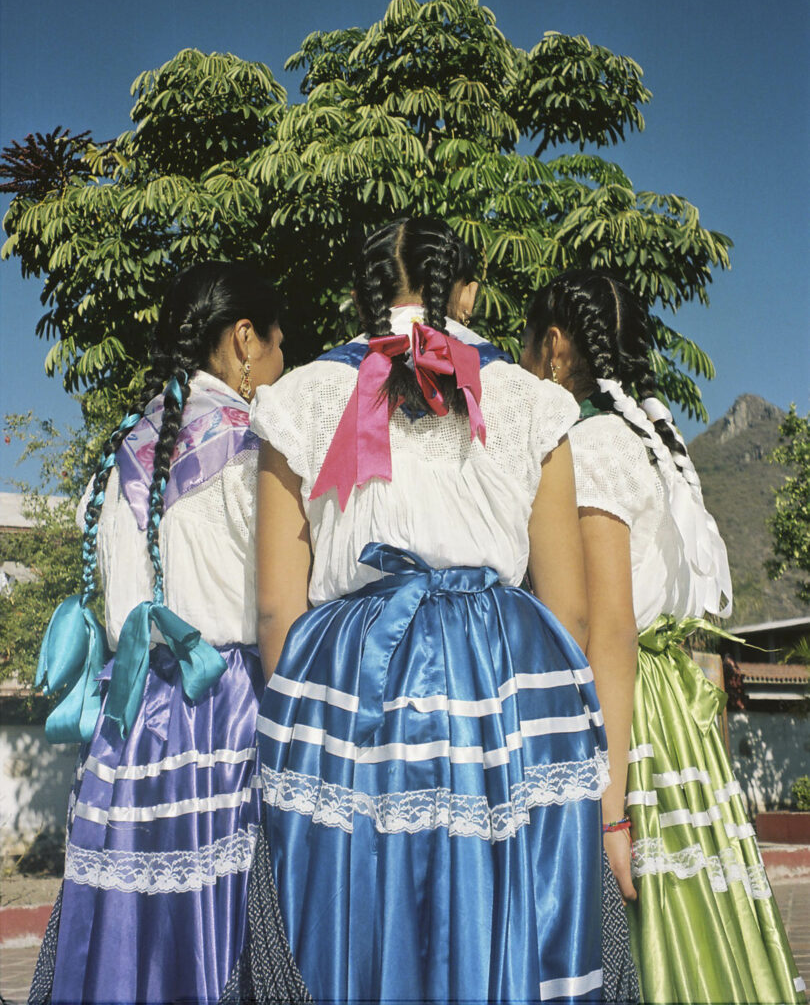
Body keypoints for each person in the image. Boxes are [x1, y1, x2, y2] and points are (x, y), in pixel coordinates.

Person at [236, 216, 609, 1005]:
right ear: (467, 291)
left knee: (352, 907)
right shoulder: (532, 401)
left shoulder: (298, 395)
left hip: (349, 676)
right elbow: (570, 611)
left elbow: (276, 607)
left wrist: (302, 730)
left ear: (357, 294)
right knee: (492, 895)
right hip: (498, 675)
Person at [522, 269, 805, 1005]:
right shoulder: (649, 442)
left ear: (553, 349)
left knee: (633, 926)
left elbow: (610, 627)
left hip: (626, 722)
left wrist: (610, 807)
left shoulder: (589, 442)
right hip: (673, 720)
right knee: (703, 926)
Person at [30, 263, 308, 1005]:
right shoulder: (256, 453)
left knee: (135, 934)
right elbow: (282, 605)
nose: (284, 364)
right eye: (280, 343)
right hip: (228, 715)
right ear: (245, 340)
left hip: (135, 724)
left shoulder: (119, 459)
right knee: (235, 926)